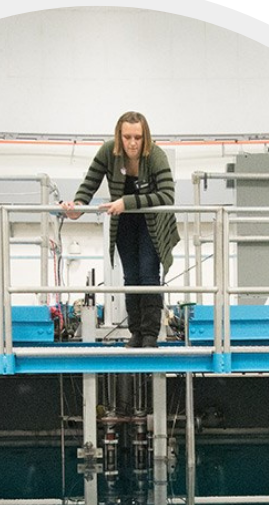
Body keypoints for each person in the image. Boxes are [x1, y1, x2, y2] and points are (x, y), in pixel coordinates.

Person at [60, 111, 179, 347]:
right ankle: (136, 332)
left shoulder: (156, 155)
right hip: (124, 220)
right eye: (127, 137)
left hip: (152, 222)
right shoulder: (108, 151)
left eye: (138, 137)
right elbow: (89, 184)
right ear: (119, 136)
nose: (133, 143)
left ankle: (150, 335)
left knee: (148, 275)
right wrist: (77, 207)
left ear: (145, 137)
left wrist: (127, 202)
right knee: (131, 276)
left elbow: (167, 196)